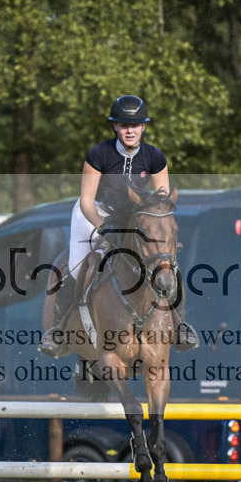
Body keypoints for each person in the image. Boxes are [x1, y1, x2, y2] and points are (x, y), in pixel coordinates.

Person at [39, 95, 198, 357]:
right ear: (115, 126)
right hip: (94, 213)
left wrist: (154, 226)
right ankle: (58, 331)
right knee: (78, 267)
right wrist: (103, 226)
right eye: (124, 125)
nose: (130, 130)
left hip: (133, 217)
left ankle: (180, 328)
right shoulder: (98, 154)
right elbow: (87, 201)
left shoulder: (154, 157)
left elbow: (161, 199)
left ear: (143, 127)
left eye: (135, 126)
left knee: (170, 268)